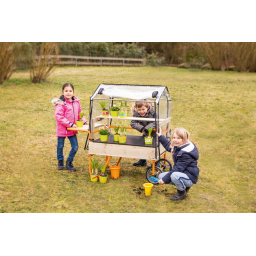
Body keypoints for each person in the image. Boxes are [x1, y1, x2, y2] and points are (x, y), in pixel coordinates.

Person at [51, 83, 88, 172]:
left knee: (75, 147)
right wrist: (70, 124)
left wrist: (85, 121)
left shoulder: (76, 102)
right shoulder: (60, 104)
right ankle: (60, 162)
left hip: (72, 130)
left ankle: (69, 162)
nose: (68, 93)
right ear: (62, 92)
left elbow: (80, 114)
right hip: (63, 129)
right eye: (66, 91)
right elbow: (59, 117)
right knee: (60, 146)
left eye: (70, 91)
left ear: (73, 92)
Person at [156, 127, 200, 201]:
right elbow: (168, 146)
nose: (175, 140)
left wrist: (165, 180)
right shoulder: (180, 146)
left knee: (174, 175)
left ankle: (182, 193)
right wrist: (160, 136)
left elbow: (178, 169)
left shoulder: (185, 153)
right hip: (183, 173)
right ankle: (183, 185)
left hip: (190, 177)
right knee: (161, 176)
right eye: (174, 137)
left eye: (178, 138)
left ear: (184, 139)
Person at [130, 99, 156, 167]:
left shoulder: (153, 112)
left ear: (147, 107)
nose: (141, 111)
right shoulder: (136, 113)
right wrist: (141, 128)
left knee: (155, 148)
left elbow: (156, 122)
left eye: (143, 109)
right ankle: (143, 161)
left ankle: (156, 163)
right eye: (139, 109)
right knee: (143, 146)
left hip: (156, 134)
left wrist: (148, 128)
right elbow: (133, 122)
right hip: (146, 133)